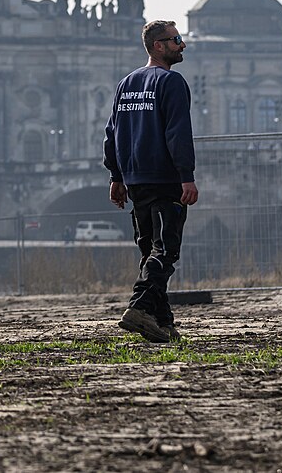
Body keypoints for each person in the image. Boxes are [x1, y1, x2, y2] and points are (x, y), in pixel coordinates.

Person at [103, 20, 199, 343]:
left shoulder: (125, 84)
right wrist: (187, 176)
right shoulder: (171, 82)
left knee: (149, 252)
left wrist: (116, 176)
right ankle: (139, 306)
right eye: (176, 39)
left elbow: (111, 135)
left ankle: (162, 321)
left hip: (136, 181)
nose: (182, 44)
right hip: (164, 178)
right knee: (166, 249)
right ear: (159, 46)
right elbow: (178, 134)